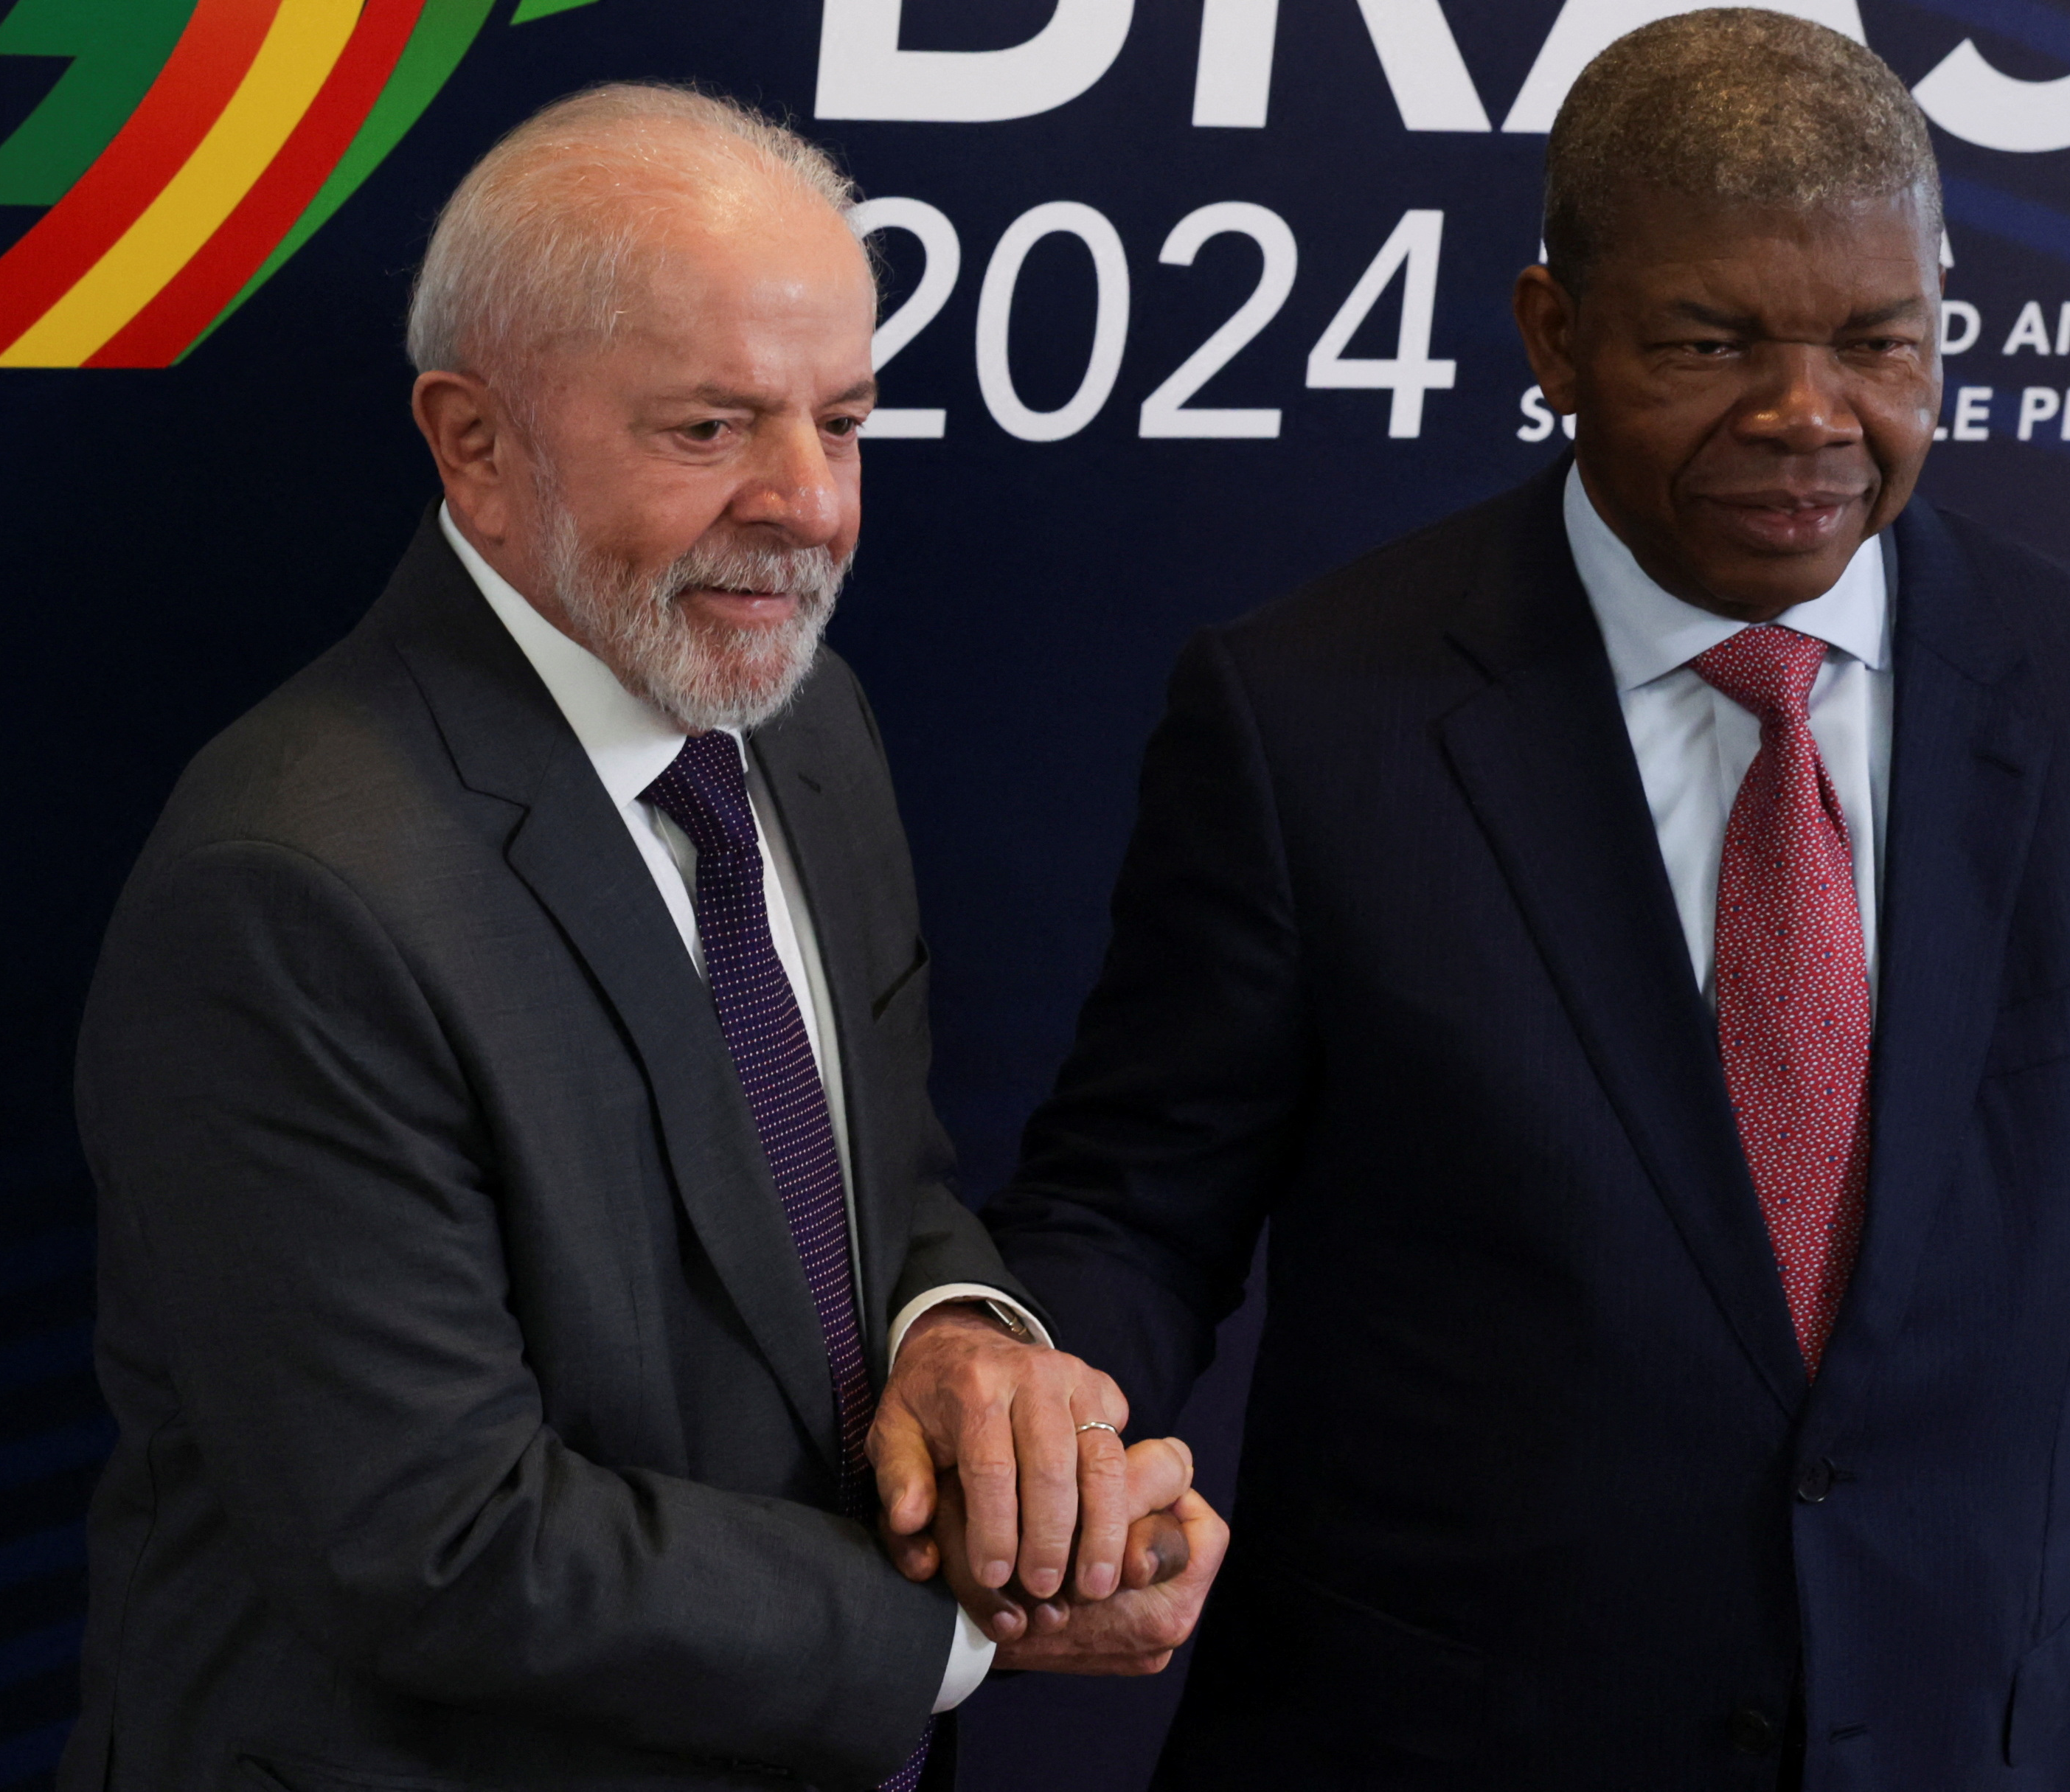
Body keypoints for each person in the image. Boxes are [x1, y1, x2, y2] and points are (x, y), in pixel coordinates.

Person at [955, 12, 2070, 1787]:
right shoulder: (1305, 719)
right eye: (1712, 341)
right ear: (1557, 337)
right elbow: (1136, 1204)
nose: (1808, 415)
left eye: (1878, 343)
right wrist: (1031, 1383)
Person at [65, 83, 1219, 1792]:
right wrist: (985, 1625)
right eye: (711, 430)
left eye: (844, 421)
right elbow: (437, 1541)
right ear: (473, 440)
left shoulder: (807, 722)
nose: (810, 505)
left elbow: (869, 1188)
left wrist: (959, 1342)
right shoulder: (292, 887)